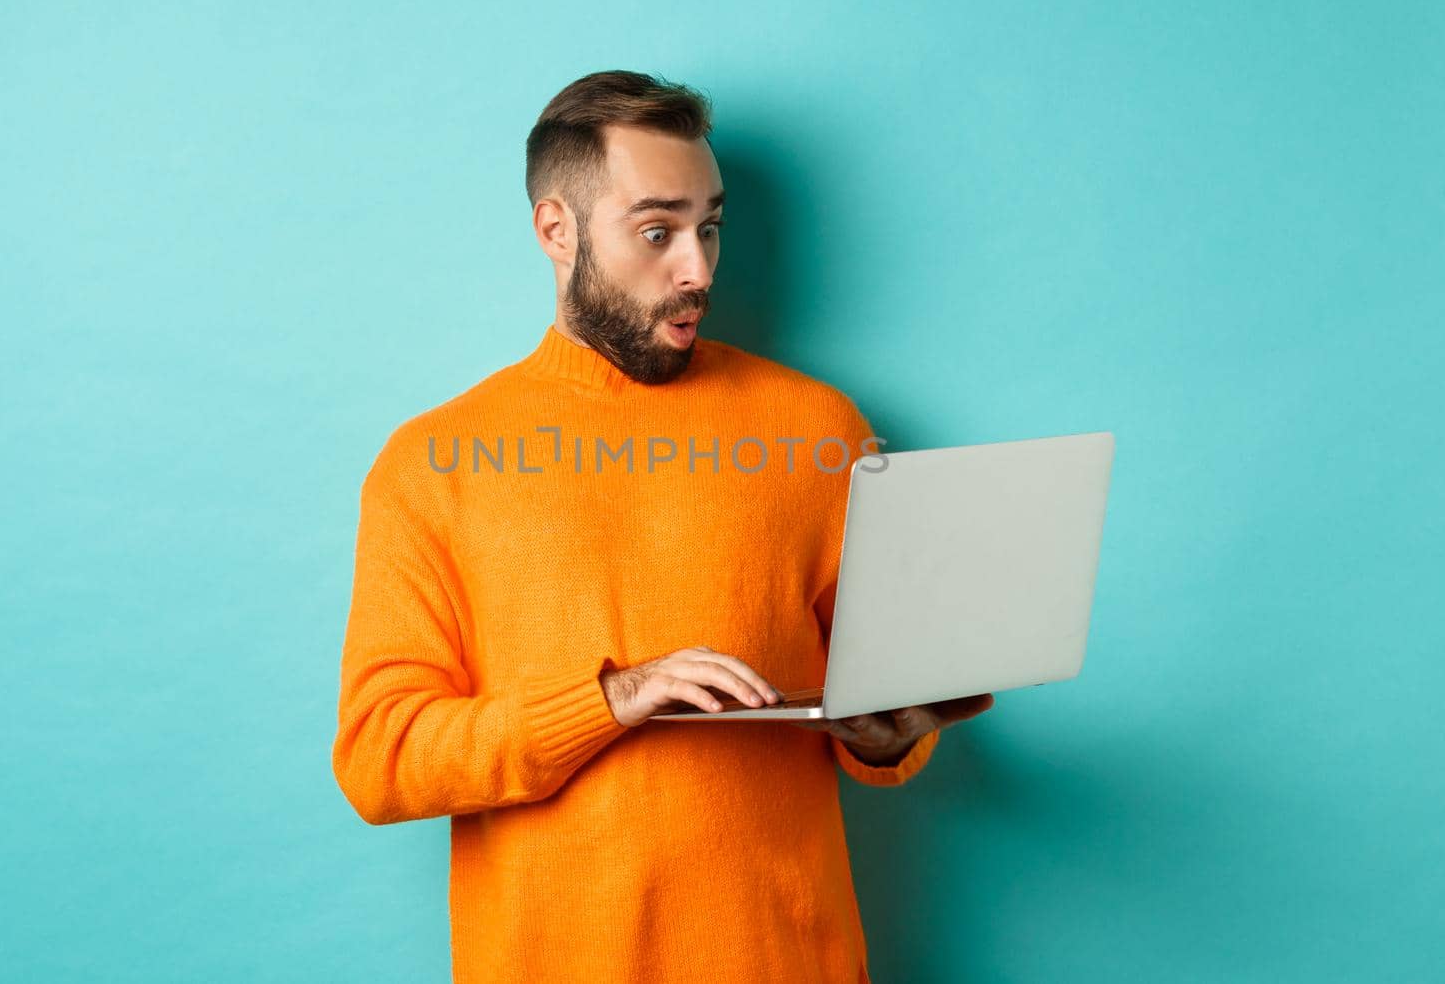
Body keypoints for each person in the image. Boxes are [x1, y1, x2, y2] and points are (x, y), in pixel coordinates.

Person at [331, 69, 994, 983]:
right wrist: (612, 699)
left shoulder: (821, 430)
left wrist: (892, 736)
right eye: (657, 232)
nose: (699, 268)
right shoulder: (433, 463)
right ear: (556, 231)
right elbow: (383, 755)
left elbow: (884, 706)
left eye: (710, 226)